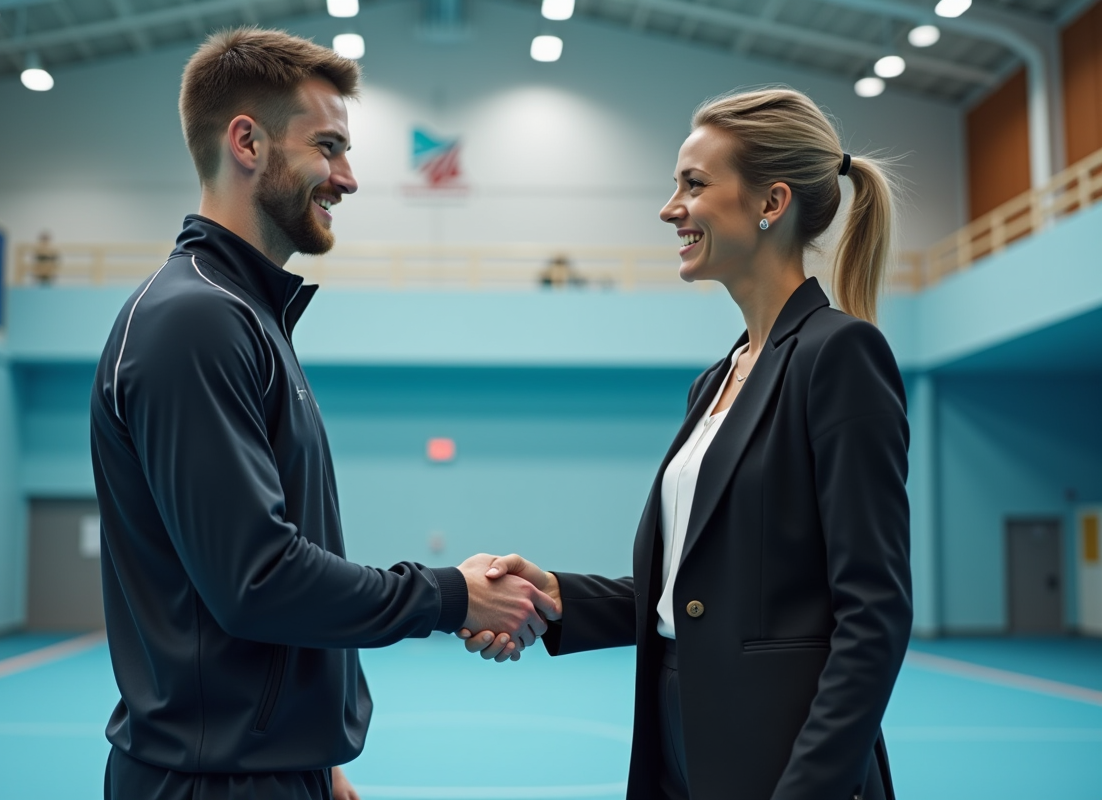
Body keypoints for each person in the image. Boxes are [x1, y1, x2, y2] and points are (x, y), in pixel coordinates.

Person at [89, 28, 555, 800]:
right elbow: (257, 579)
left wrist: (308, 753)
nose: (349, 178)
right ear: (247, 142)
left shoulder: (244, 316)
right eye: (329, 147)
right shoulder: (195, 321)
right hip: (213, 784)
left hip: (261, 768)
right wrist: (452, 594)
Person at [461, 88, 912, 800]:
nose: (671, 208)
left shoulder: (840, 355)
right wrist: (555, 597)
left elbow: (874, 612)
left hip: (784, 757)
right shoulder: (716, 379)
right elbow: (696, 592)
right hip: (680, 737)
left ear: (772, 202)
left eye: (694, 184)